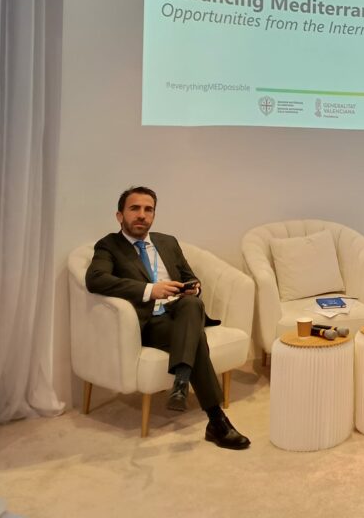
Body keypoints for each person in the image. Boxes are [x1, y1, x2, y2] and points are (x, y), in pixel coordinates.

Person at [85, 186, 250, 449]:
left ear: (154, 215)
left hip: (182, 311)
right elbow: (96, 279)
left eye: (148, 209)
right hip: (149, 322)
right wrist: (150, 290)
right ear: (120, 215)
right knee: (196, 339)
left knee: (192, 303)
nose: (142, 215)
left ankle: (182, 383)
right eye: (134, 208)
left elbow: (189, 277)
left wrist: (193, 287)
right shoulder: (109, 245)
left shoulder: (168, 242)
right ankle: (215, 419)